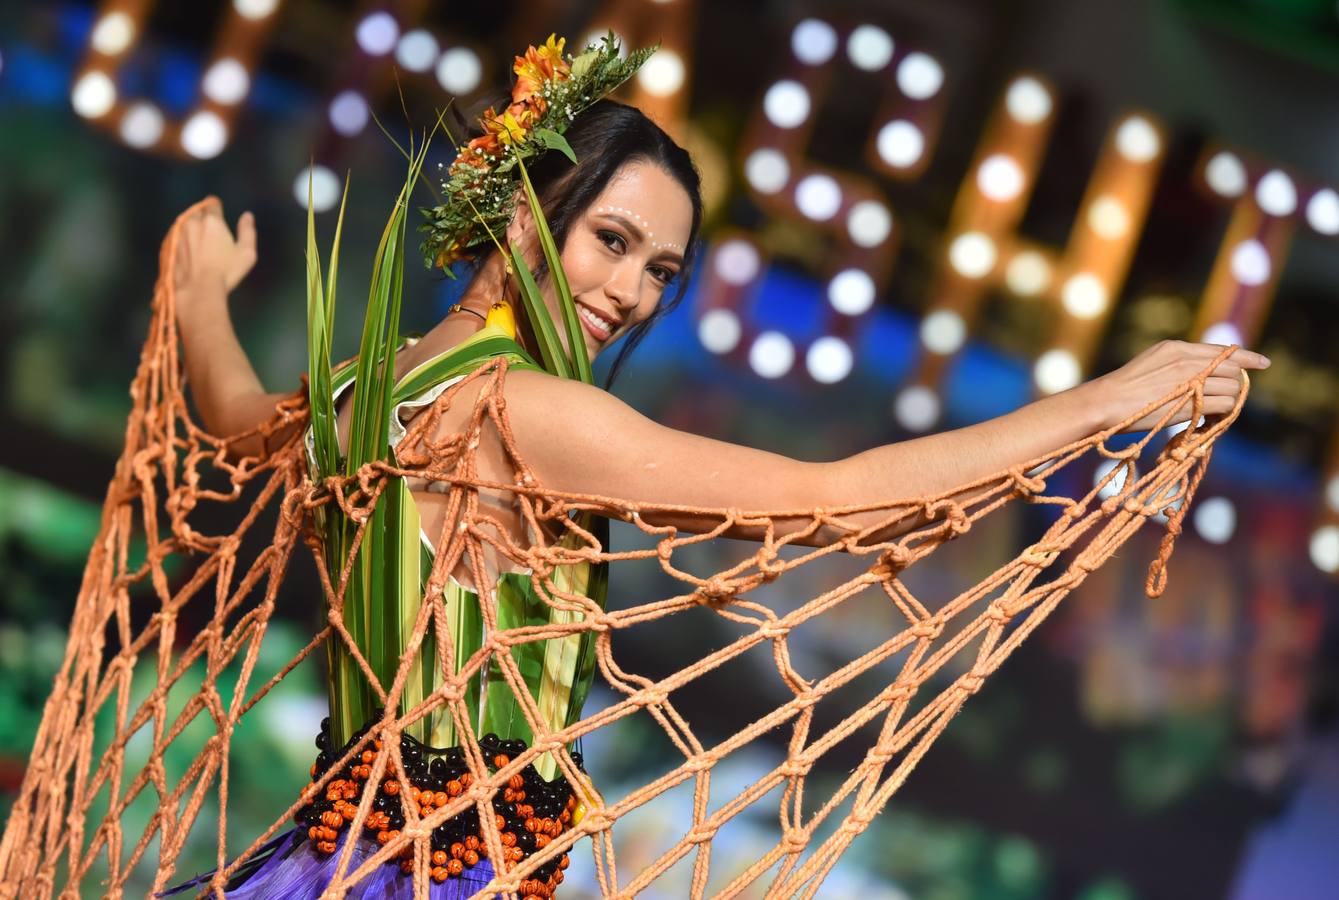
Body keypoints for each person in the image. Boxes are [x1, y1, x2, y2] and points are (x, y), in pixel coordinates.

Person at [165, 48, 1269, 900]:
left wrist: (202, 294)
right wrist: (1108, 402)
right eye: (610, 240)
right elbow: (833, 502)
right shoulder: (525, 409)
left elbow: (229, 413)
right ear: (518, 206)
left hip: (337, 856)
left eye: (660, 270)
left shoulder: (371, 384)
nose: (633, 293)